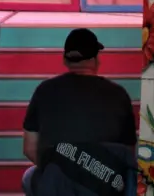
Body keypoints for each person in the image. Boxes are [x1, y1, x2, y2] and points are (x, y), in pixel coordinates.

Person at [20, 29, 136, 196]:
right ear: (96, 60)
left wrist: (65, 170)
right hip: (105, 187)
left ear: (65, 60)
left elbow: (29, 148)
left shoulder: (44, 91)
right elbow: (128, 154)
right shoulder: (119, 94)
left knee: (29, 177)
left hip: (58, 186)